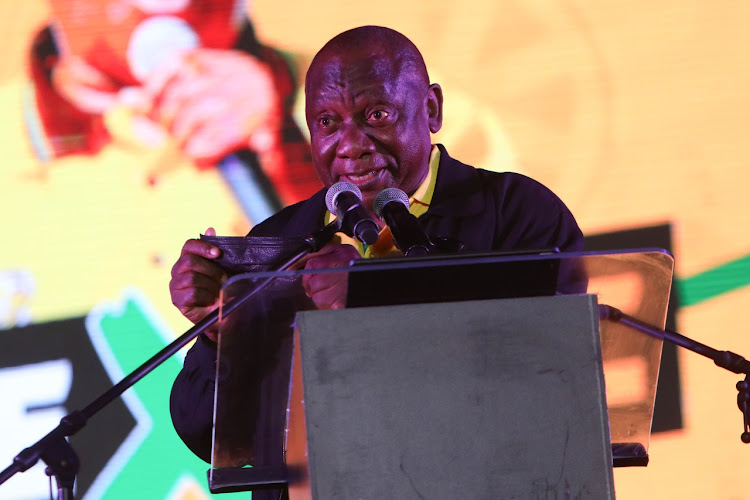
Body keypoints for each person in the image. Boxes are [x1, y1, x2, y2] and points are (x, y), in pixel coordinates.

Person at [169, 25, 584, 497]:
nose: (350, 144)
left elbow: (554, 376)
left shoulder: (516, 211)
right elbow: (205, 433)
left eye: (377, 114)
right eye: (326, 122)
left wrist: (371, 293)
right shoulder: (276, 242)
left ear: (431, 109)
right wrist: (223, 334)